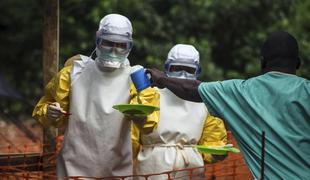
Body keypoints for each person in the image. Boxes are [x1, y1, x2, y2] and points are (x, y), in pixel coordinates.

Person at [146, 32, 310, 179]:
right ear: (297, 63)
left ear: (262, 62)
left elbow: (191, 89)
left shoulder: (241, 92)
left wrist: (161, 79)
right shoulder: (307, 91)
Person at [32, 14, 159, 178]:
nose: (114, 50)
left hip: (116, 168)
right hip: (74, 166)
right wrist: (49, 111)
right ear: (98, 40)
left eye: (121, 45)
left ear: (129, 46)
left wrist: (143, 101)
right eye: (108, 43)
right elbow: (46, 112)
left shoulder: (135, 78)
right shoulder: (74, 73)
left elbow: (149, 126)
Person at [131, 44, 227, 179]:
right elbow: (132, 136)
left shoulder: (204, 102)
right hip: (153, 168)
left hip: (191, 169)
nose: (182, 74)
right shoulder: (151, 95)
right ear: (167, 68)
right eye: (177, 68)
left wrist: (216, 152)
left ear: (197, 71)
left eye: (189, 69)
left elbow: (213, 139)